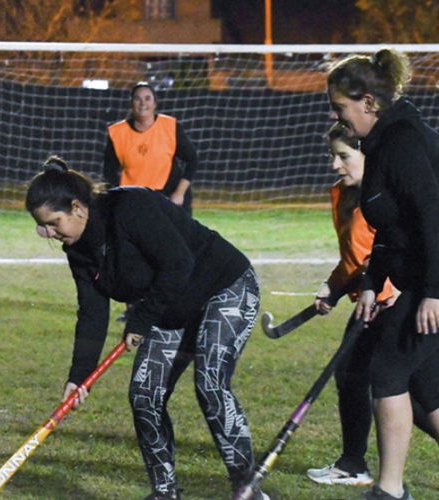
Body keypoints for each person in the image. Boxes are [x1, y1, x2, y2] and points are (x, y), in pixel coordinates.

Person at [25, 156, 269, 500]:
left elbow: (178, 265)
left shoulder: (130, 207)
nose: (48, 234)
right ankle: (165, 493)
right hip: (170, 307)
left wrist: (140, 321)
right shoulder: (77, 248)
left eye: (53, 223)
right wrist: (79, 376)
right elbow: (93, 312)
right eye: (42, 227)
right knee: (144, 394)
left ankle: (248, 491)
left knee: (210, 383)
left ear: (78, 208)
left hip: (225, 288)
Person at [326, 49, 439, 500]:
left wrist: (434, 293)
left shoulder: (401, 140)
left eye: (340, 108)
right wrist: (370, 284)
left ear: (368, 102)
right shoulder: (381, 141)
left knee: (386, 370)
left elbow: (432, 217)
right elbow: (391, 228)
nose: (336, 117)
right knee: (427, 382)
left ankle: (389, 489)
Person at [103, 81, 198, 321]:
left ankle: (180, 304)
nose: (143, 103)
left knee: (177, 255)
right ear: (131, 103)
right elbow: (108, 172)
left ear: (155, 103)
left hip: (168, 200)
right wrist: (116, 199)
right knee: (132, 256)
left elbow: (192, 160)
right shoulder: (117, 132)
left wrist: (180, 193)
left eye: (147, 98)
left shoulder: (170, 127)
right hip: (135, 201)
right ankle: (134, 308)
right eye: (138, 98)